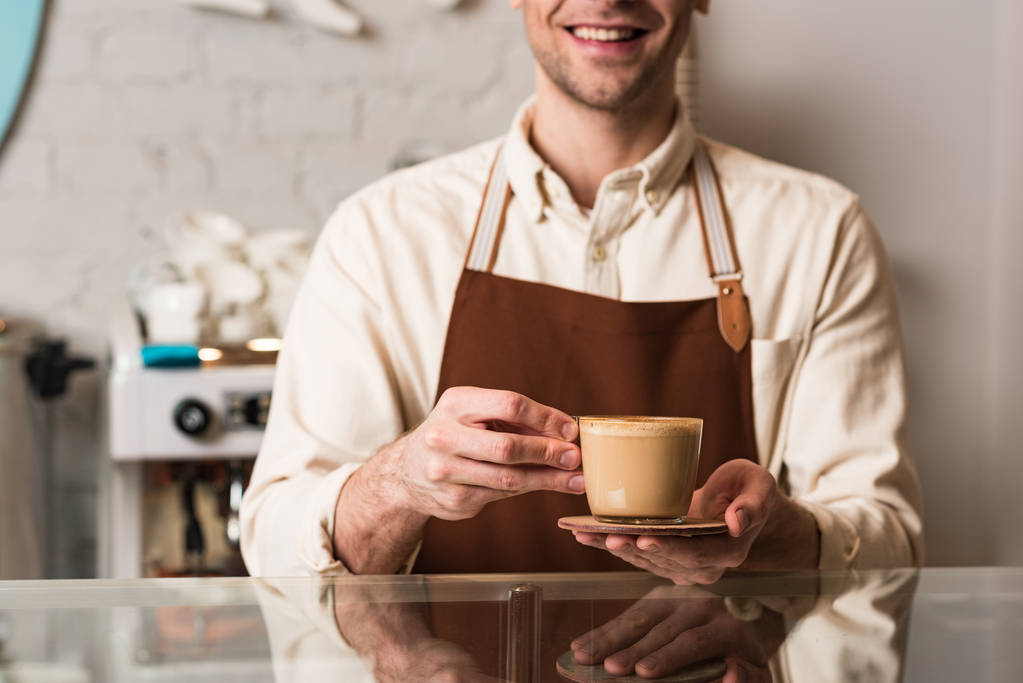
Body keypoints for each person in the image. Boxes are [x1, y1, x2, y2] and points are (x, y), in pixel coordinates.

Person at [240, 0, 923, 582]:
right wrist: (399, 483)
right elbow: (273, 541)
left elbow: (891, 542)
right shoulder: (380, 232)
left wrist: (773, 534)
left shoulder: (821, 230)